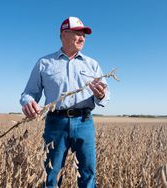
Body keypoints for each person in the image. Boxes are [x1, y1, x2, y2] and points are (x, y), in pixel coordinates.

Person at [20, 16, 110, 188]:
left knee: (88, 173)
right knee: (50, 173)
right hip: (55, 123)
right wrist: (28, 102)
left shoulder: (92, 64)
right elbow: (29, 93)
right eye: (77, 33)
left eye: (84, 35)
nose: (82, 38)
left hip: (84, 122)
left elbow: (106, 96)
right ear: (63, 34)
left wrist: (101, 95)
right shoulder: (44, 63)